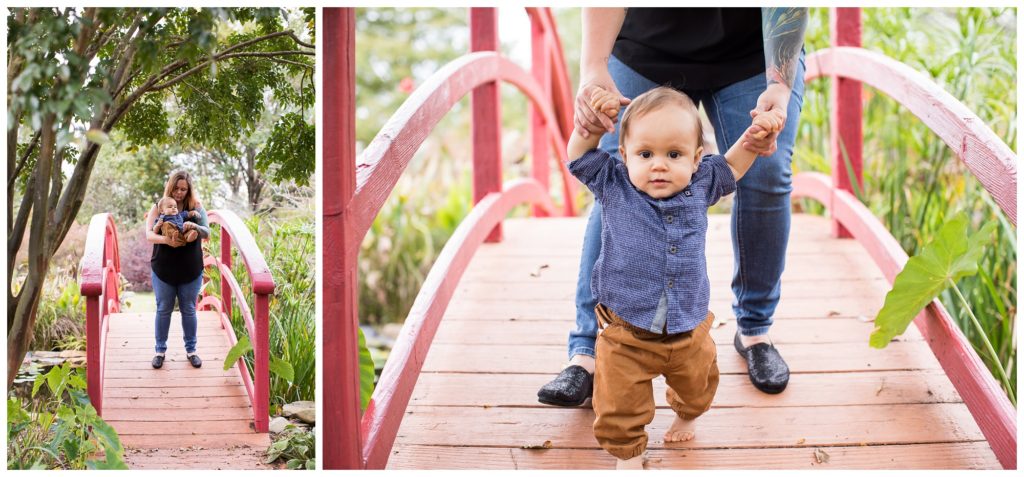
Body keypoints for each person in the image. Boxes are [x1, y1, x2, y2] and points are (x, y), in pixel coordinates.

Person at [538, 7, 808, 406]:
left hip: (751, 50)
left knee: (766, 173)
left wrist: (780, 85)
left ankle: (754, 328)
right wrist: (593, 67)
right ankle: (588, 349)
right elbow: (584, 157)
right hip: (646, 46)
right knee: (619, 182)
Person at [567, 85, 782, 469]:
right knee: (618, 402)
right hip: (625, 330)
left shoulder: (702, 185)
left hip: (687, 326)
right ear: (625, 156)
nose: (659, 165)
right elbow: (580, 156)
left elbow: (732, 166)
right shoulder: (614, 185)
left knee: (698, 386)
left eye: (674, 154)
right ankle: (628, 452)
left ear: (697, 159)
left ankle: (687, 413)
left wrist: (753, 139)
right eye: (645, 154)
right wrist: (591, 126)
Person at [145, 170, 210, 369]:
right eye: (176, 188)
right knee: (163, 309)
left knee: (189, 310)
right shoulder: (159, 207)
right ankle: (160, 351)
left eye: (184, 189)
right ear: (170, 186)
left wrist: (195, 227)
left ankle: (191, 351)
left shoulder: (196, 207)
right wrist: (167, 240)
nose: (180, 192)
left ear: (189, 190)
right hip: (164, 268)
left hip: (190, 268)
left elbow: (207, 231)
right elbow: (149, 235)